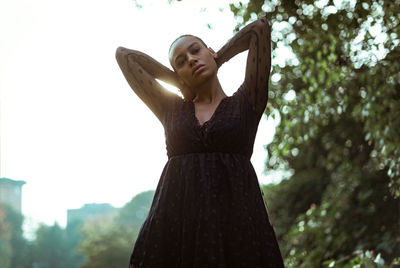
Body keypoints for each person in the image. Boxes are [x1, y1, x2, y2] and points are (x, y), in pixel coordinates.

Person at [116, 17, 284, 268]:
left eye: (196, 51)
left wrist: (219, 58)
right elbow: (125, 56)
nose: (191, 60)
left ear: (210, 51)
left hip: (236, 226)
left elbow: (259, 29)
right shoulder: (170, 109)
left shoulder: (247, 101)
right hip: (175, 228)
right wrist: (179, 79)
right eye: (181, 62)